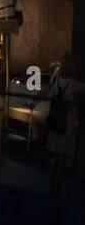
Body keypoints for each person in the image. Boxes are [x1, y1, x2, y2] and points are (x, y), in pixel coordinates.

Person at [47, 52, 83, 194]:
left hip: (55, 123)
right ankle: (56, 189)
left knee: (55, 157)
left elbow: (51, 97)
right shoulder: (73, 85)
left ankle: (51, 187)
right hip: (66, 125)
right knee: (62, 158)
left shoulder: (57, 82)